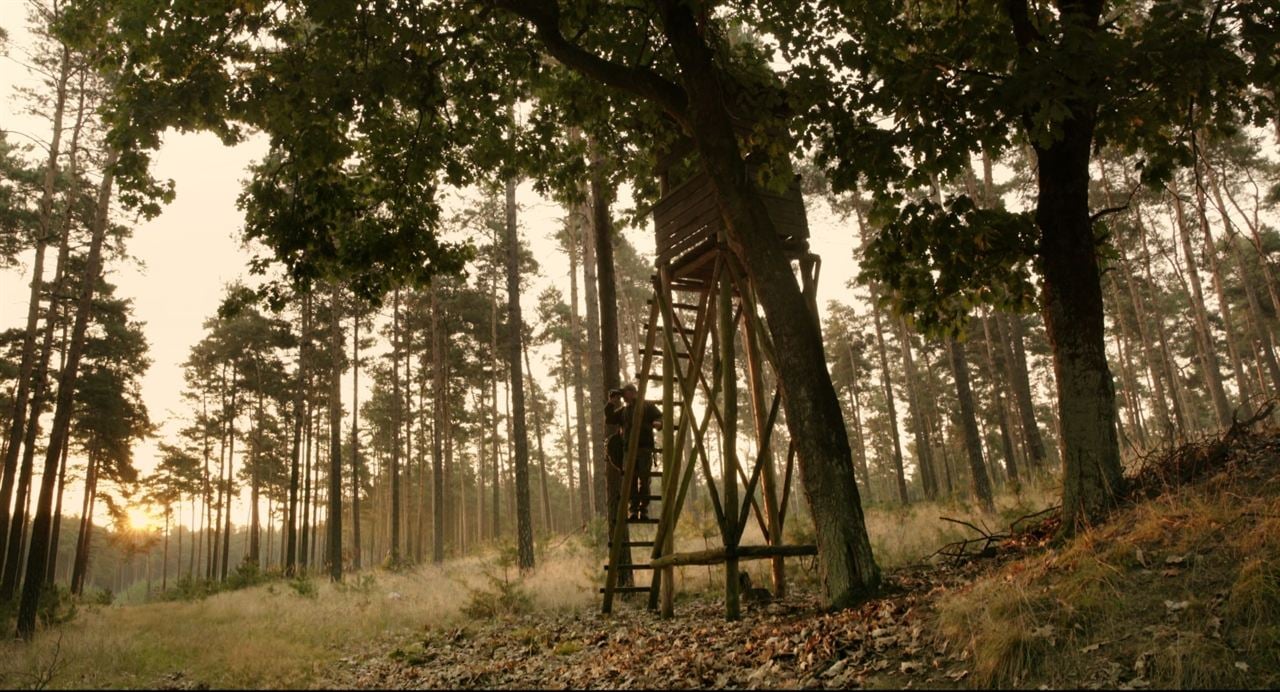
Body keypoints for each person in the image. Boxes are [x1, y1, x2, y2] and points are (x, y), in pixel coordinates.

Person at [605, 383, 662, 520]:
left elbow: (660, 417)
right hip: (628, 451)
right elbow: (610, 419)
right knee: (630, 481)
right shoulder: (624, 411)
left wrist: (658, 423)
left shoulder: (647, 406)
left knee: (644, 479)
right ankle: (634, 510)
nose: (623, 396)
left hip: (644, 449)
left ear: (633, 392)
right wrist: (611, 403)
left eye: (625, 393)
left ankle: (644, 510)